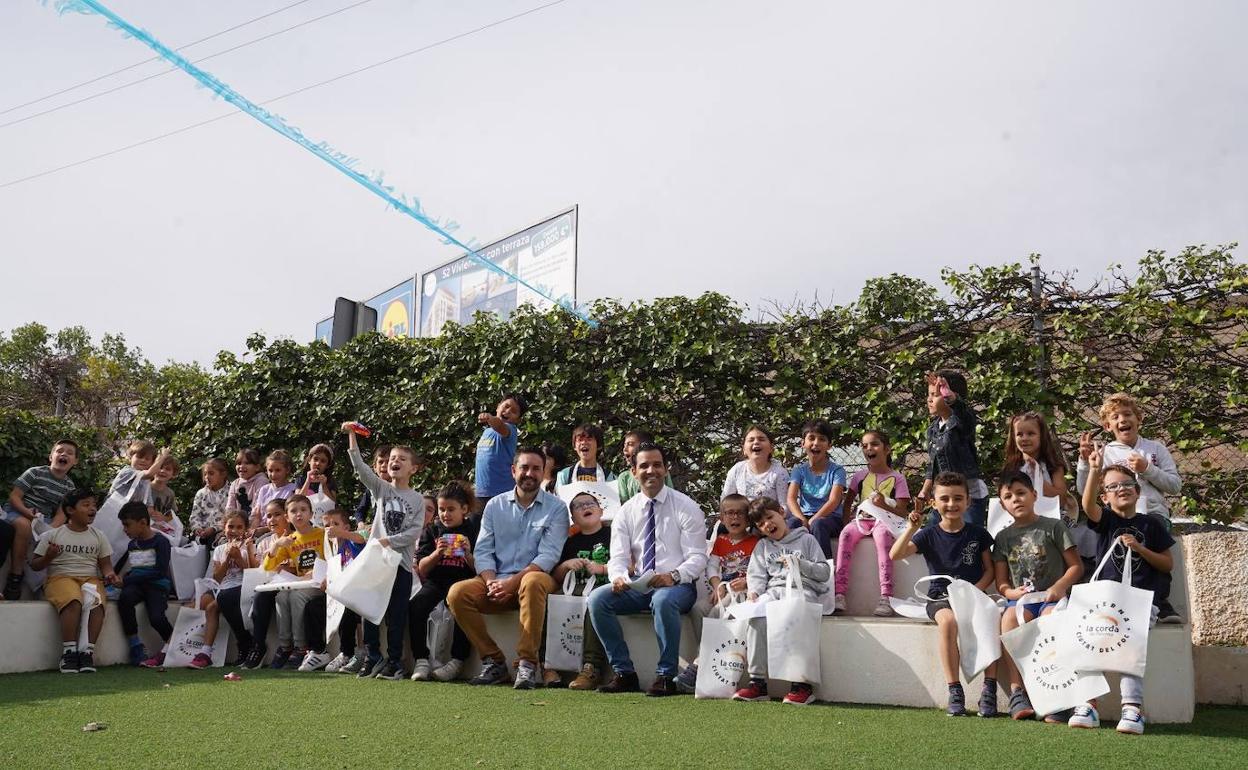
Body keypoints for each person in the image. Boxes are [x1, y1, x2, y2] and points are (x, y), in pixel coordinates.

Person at [587, 442, 707, 696]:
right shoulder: (626, 511)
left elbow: (697, 558)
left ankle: (666, 675)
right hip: (639, 584)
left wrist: (673, 576)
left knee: (663, 600)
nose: (651, 470)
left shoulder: (686, 506)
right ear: (633, 472)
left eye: (657, 465)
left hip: (678, 586)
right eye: (644, 465)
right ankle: (624, 673)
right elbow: (618, 556)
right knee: (598, 598)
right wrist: (619, 577)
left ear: (666, 469)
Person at [1069, 459, 1176, 734]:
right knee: (1091, 637)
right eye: (1113, 486)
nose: (1122, 489)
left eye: (1127, 484)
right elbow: (1086, 506)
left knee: (1129, 639)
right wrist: (1093, 470)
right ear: (1105, 497)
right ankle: (1088, 704)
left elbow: (1167, 564)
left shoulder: (1151, 525)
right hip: (1105, 602)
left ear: (1138, 491)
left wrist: (1140, 549)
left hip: (1141, 603)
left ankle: (1132, 708)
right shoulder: (1107, 521)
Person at [448, 446, 567, 689]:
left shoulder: (557, 508)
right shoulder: (494, 506)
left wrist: (511, 583)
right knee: (458, 593)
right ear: (514, 471)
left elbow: (548, 556)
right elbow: (483, 550)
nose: (530, 473)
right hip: (496, 581)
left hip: (537, 580)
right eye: (524, 467)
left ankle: (527, 663)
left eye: (536, 468)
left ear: (544, 472)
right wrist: (491, 581)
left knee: (532, 581)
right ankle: (493, 661)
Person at [889, 472, 997, 717]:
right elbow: (895, 555)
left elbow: (989, 571)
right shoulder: (928, 534)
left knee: (992, 617)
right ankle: (954, 690)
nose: (951, 504)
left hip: (973, 595)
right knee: (948, 621)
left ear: (968, 501)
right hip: (940, 598)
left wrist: (973, 592)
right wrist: (910, 528)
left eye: (958, 498)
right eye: (945, 498)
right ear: (933, 503)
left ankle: (988, 690)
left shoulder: (978, 533)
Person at [1076, 392, 1183, 622]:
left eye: (1128, 414)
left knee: (1150, 534)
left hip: (1153, 515)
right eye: (1116, 416)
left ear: (1139, 418)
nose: (1122, 419)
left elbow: (1175, 485)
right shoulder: (1106, 452)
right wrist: (1086, 464)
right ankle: (1115, 597)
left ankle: (1159, 603)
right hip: (1118, 517)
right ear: (1107, 425)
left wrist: (1147, 469)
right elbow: (1086, 491)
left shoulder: (1155, 449)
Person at [994, 470, 1082, 720]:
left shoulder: (1054, 526)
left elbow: (1076, 566)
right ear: (1003, 504)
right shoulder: (1002, 538)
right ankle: (1017, 691)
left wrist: (1059, 586)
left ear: (1034, 495)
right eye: (1009, 496)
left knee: (1052, 619)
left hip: (1050, 598)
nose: (1016, 500)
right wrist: (1010, 592)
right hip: (1020, 601)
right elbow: (1001, 582)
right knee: (1009, 619)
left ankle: (1055, 694)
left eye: (1021, 493)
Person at [344, 422, 425, 681]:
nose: (395, 461)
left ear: (413, 468)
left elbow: (413, 532)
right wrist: (352, 437)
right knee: (369, 611)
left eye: (401, 459)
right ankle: (373, 657)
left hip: (399, 565)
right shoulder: (381, 489)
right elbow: (361, 469)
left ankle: (394, 662)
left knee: (396, 615)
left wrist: (389, 542)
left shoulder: (418, 499)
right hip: (376, 564)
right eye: (391, 458)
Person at [731, 496, 830, 706]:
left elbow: (824, 572)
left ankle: (801, 684)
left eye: (769, 517)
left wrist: (799, 564)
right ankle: (758, 683)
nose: (767, 524)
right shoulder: (763, 546)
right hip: (774, 592)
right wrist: (754, 592)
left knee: (794, 616)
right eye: (760, 524)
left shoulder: (807, 540)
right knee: (756, 617)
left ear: (782, 513)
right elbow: (756, 575)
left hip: (801, 590)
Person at [674, 493, 759, 693]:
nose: (735, 518)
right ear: (721, 518)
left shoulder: (756, 542)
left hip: (742, 592)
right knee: (698, 609)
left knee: (714, 613)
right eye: (729, 513)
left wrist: (746, 582)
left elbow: (759, 570)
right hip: (724, 587)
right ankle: (708, 658)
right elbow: (711, 566)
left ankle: (699, 665)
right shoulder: (721, 542)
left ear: (748, 518)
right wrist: (717, 583)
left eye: (740, 513)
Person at [30, 489, 118, 674]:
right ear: (70, 510)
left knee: (97, 604)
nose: (92, 509)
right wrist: (48, 557)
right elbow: (35, 565)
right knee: (73, 600)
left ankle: (86, 653)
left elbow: (106, 565)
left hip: (90, 578)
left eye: (94, 505)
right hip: (60, 578)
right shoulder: (53, 535)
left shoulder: (98, 535)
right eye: (86, 505)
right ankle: (69, 653)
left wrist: (110, 575)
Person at [409, 480, 480, 683]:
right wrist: (437, 553)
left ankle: (457, 661)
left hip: (463, 581)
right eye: (441, 509)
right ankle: (421, 659)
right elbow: (422, 567)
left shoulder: (473, 531)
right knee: (416, 605)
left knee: (461, 604)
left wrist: (467, 554)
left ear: (464, 509)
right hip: (436, 582)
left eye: (451, 509)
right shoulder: (431, 531)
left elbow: (480, 568)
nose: (445, 514)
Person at [835, 430, 910, 617]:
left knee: (883, 538)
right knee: (845, 535)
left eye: (874, 444)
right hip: (861, 520)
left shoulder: (898, 478)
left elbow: (902, 512)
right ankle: (838, 594)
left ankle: (886, 597)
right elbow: (848, 503)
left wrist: (884, 505)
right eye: (865, 445)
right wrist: (846, 522)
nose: (869, 448)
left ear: (887, 449)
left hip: (883, 522)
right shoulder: (859, 476)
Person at [3, 439, 79, 599]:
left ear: (75, 461)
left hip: (42, 520)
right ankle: (15, 577)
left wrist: (50, 529)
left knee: (57, 538)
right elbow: (14, 496)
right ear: (51, 456)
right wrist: (26, 512)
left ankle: (45, 586)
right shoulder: (35, 472)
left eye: (69, 453)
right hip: (19, 512)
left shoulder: (70, 487)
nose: (64, 454)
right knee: (24, 525)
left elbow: (62, 513)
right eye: (59, 451)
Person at [257, 495, 325, 670]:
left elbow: (334, 559)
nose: (299, 514)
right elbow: (268, 566)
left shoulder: (322, 534)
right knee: (281, 597)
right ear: (287, 517)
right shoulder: (289, 540)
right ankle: (286, 646)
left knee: (296, 597)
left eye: (303, 510)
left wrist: (320, 573)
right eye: (293, 511)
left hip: (320, 584)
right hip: (301, 583)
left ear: (311, 513)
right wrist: (276, 545)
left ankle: (301, 647)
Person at [553, 488, 613, 690]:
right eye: (579, 506)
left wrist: (603, 568)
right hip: (575, 590)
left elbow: (630, 565)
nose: (586, 507)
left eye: (590, 504)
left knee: (594, 600)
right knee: (550, 601)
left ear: (601, 511)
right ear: (573, 518)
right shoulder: (570, 542)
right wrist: (566, 565)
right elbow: (557, 577)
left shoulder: (613, 535)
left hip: (605, 588)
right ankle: (550, 664)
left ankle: (592, 667)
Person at [918, 371, 989, 527]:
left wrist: (950, 398)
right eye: (928, 394)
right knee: (934, 535)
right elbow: (933, 463)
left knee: (969, 538)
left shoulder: (961, 422)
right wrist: (924, 491)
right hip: (944, 494)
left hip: (968, 495)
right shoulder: (933, 429)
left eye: (934, 395)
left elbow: (963, 414)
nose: (929, 399)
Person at [115, 501, 175, 667]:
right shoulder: (132, 544)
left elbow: (159, 571)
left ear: (142, 523)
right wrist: (119, 578)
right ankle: (135, 645)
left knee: (156, 617)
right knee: (125, 599)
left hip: (157, 585)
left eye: (127, 525)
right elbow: (137, 568)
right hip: (138, 585)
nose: (124, 529)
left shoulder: (160, 542)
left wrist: (127, 580)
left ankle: (173, 643)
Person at [198, 511, 255, 667]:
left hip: (244, 586)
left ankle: (244, 642)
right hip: (225, 588)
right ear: (224, 528)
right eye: (230, 526)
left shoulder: (248, 546)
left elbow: (252, 573)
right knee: (211, 606)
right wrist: (227, 559)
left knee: (224, 599)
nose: (234, 531)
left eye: (239, 527)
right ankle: (205, 651)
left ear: (246, 529)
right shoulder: (219, 549)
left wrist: (238, 558)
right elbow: (217, 578)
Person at [241, 499, 293, 669]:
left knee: (282, 597)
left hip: (292, 584)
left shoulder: (296, 536)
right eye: (269, 516)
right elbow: (261, 570)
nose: (272, 520)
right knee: (260, 597)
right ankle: (257, 646)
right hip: (269, 584)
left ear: (287, 515)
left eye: (277, 515)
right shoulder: (264, 541)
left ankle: (293, 648)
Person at [786, 418, 847, 557]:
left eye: (822, 439)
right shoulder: (799, 470)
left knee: (818, 525)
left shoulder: (837, 471)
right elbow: (791, 498)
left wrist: (814, 519)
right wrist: (802, 519)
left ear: (829, 445)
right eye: (811, 438)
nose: (816, 443)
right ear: (803, 443)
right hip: (805, 516)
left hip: (830, 518)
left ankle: (825, 571)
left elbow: (834, 501)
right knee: (792, 523)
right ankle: (789, 568)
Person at [322, 508, 369, 674]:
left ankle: (362, 653)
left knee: (355, 611)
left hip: (364, 588)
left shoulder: (351, 541)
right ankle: (346, 653)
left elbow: (362, 537)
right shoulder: (336, 549)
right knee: (342, 610)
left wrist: (343, 533)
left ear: (347, 527)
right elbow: (337, 570)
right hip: (348, 592)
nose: (330, 528)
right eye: (327, 525)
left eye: (335, 524)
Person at [474, 393, 526, 510]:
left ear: (518, 419)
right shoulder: (486, 432)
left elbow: (499, 426)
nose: (507, 411)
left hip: (501, 493)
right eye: (506, 406)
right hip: (481, 493)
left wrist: (490, 418)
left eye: (513, 411)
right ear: (498, 407)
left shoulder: (510, 430)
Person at [720, 425, 790, 504]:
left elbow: (785, 506)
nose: (756, 442)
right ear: (744, 449)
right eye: (751, 440)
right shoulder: (736, 470)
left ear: (771, 448)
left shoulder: (780, 473)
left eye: (761, 439)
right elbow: (726, 502)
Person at [616, 429, 672, 503]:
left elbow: (670, 496)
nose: (624, 449)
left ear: (643, 446)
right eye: (624, 445)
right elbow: (624, 505)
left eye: (630, 444)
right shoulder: (624, 478)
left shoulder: (661, 472)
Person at [251, 450, 297, 534]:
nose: (273, 474)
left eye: (278, 470)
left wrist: (263, 530)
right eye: (270, 471)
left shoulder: (292, 489)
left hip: (281, 531)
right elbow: (257, 516)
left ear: (287, 470)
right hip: (261, 530)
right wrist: (252, 531)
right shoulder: (264, 490)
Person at [189, 458, 231, 547]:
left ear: (223, 474)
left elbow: (230, 516)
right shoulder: (201, 493)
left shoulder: (231, 492)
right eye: (205, 474)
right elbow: (195, 515)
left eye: (211, 473)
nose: (207, 477)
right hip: (202, 533)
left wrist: (214, 528)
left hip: (220, 532)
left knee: (218, 542)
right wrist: (197, 528)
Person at [295, 443, 338, 524]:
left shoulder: (330, 481)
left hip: (324, 522)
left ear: (327, 465)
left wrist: (324, 485)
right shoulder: (301, 480)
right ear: (309, 460)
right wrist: (308, 481)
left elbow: (333, 503)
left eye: (323, 461)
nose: (318, 463)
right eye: (315, 459)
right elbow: (297, 501)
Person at [224, 448, 268, 524]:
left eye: (247, 463)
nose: (241, 466)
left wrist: (247, 525)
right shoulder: (235, 483)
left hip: (255, 524)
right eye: (239, 463)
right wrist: (230, 522)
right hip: (237, 525)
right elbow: (230, 507)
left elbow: (257, 506)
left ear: (257, 467)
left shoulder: (261, 481)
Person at [353, 444, 392, 525]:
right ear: (374, 467)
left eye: (388, 462)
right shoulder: (372, 488)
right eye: (381, 462)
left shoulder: (401, 487)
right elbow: (360, 510)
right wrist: (360, 523)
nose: (384, 465)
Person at [149, 456, 181, 543]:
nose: (162, 471)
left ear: (173, 474)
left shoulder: (170, 493)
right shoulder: (145, 487)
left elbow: (172, 515)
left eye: (167, 469)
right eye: (160, 467)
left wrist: (164, 518)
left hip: (160, 531)